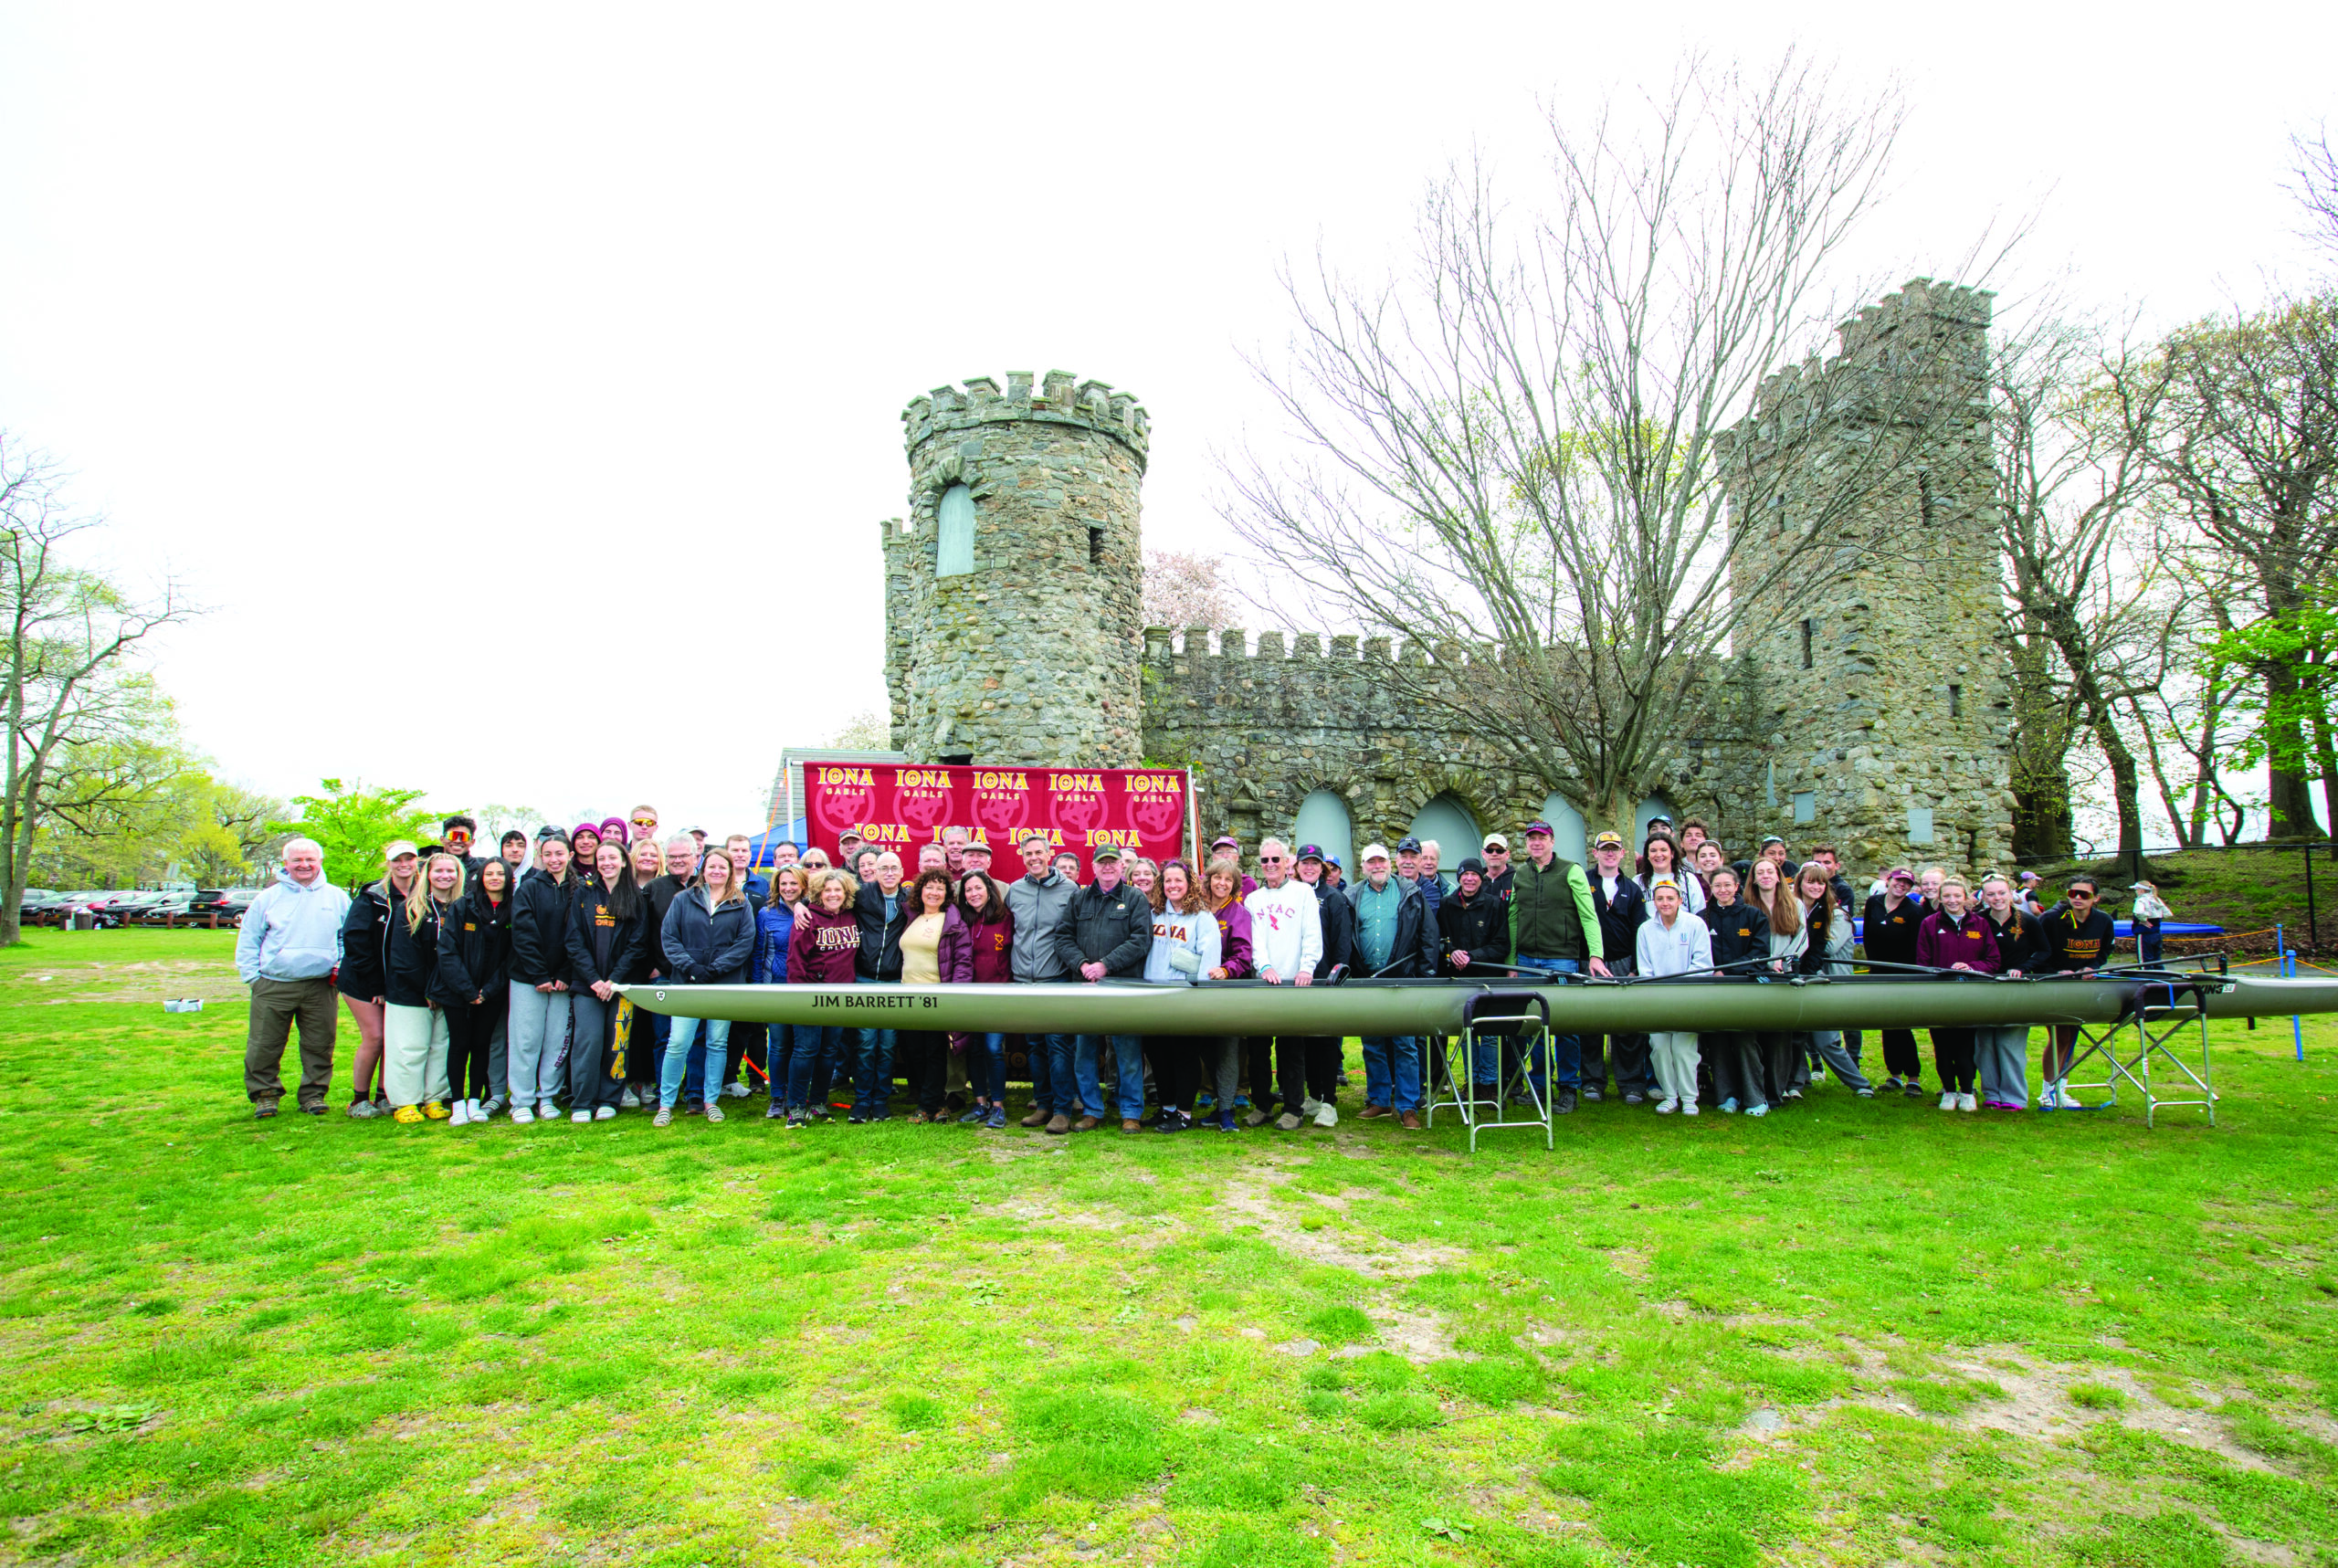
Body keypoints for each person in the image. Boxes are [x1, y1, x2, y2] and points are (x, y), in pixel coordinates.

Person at [235, 837, 352, 1119]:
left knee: (320, 1043)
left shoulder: (336, 897)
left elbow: (346, 938)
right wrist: (254, 977)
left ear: (320, 861)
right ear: (285, 864)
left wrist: (339, 966)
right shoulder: (269, 898)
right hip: (274, 984)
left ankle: (313, 1094)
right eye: (297, 860)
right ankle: (265, 1094)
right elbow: (250, 938)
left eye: (310, 859)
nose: (304, 865)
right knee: (265, 1043)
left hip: (320, 985)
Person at [1508, 818, 1606, 1112]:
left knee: (1564, 1027)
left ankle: (1568, 1088)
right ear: (1526, 843)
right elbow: (1514, 918)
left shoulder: (1571, 871)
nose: (1536, 843)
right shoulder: (1520, 875)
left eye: (1542, 838)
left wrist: (1596, 954)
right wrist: (1511, 961)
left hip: (1561, 958)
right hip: (1527, 960)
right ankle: (1539, 1088)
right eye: (1531, 839)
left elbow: (1588, 916)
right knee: (1533, 1026)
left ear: (1552, 841)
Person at [658, 847, 756, 1127]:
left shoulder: (741, 903)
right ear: (703, 869)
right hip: (687, 983)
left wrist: (715, 970)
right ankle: (665, 1103)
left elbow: (744, 943)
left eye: (722, 867)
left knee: (716, 1042)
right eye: (712, 866)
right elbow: (670, 938)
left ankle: (710, 1100)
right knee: (677, 1043)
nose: (717, 871)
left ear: (729, 871)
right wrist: (691, 967)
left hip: (723, 984)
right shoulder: (683, 900)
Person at [1057, 846, 1153, 1132]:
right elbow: (1062, 937)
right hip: (1084, 986)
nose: (1108, 868)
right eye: (1103, 863)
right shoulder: (1079, 899)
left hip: (1123, 987)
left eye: (1113, 863)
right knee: (1084, 1053)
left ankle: (1131, 1113)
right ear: (1094, 867)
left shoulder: (1135, 899)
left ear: (1122, 867)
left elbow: (1141, 940)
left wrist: (1105, 965)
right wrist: (1083, 964)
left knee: (1128, 1053)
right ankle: (1092, 1111)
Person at [1350, 844, 1439, 1129]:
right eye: (1370, 862)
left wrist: (1425, 978)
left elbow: (1428, 936)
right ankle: (1379, 1100)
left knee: (1405, 1044)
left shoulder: (1410, 893)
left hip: (1403, 979)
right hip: (1367, 979)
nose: (1377, 866)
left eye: (1381, 861)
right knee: (1372, 1043)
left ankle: (1408, 1106)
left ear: (1390, 863)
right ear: (1363, 866)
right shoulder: (1352, 895)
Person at [1240, 837, 1325, 1129]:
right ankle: (1262, 1105)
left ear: (1288, 862)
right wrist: (1263, 966)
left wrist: (1306, 968)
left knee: (1291, 1049)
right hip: (1263, 984)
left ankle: (1293, 1108)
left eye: (1276, 859)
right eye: (1265, 861)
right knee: (1258, 1051)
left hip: (1294, 983)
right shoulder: (1254, 900)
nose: (1270, 865)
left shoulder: (1303, 894)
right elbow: (1254, 940)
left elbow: (1312, 935)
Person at [566, 840, 648, 1123]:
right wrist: (594, 980)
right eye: (601, 858)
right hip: (587, 987)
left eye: (612, 857)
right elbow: (573, 941)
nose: (606, 863)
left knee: (617, 1043)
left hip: (622, 987)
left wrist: (613, 980)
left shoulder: (636, 897)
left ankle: (608, 1099)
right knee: (587, 1043)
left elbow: (638, 945)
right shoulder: (584, 894)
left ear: (624, 861)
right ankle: (582, 1103)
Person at [1140, 858, 1222, 1133]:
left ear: (1189, 885)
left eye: (1178, 880)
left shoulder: (1202, 918)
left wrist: (1198, 995)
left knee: (1184, 1056)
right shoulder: (1153, 914)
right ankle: (1168, 1109)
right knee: (1158, 1055)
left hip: (1184, 996)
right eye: (1168, 881)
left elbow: (1209, 960)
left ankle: (1185, 1113)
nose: (1173, 885)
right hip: (1154, 995)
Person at [336, 842, 416, 1119]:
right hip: (363, 981)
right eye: (398, 860)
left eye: (409, 858)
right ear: (388, 863)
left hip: (394, 981)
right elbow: (355, 941)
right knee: (375, 1036)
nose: (404, 864)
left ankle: (384, 1095)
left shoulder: (422, 892)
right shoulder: (372, 896)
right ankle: (359, 1099)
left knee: (392, 1039)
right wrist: (374, 986)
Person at [1006, 831, 1079, 1131]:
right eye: (1028, 854)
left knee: (1059, 1045)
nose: (1034, 858)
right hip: (1023, 980)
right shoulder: (1014, 890)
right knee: (1035, 1046)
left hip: (1056, 978)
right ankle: (1043, 1104)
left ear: (1049, 854)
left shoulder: (1070, 889)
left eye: (1039, 853)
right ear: (1022, 857)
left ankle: (1062, 1109)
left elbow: (1075, 933)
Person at [384, 851, 463, 1123]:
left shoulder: (460, 907)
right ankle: (405, 1102)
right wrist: (426, 989)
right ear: (427, 874)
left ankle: (434, 1098)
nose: (445, 876)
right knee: (409, 1047)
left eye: (450, 871)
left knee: (441, 1046)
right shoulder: (410, 908)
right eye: (438, 871)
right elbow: (403, 957)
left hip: (448, 991)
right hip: (411, 993)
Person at [507, 831, 578, 1123]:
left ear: (569, 856)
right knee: (526, 1039)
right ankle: (521, 1099)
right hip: (529, 978)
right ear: (540, 856)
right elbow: (524, 934)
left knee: (556, 1040)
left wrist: (564, 973)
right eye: (548, 854)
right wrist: (539, 974)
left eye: (559, 854)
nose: (554, 860)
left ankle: (547, 1095)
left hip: (563, 980)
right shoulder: (529, 888)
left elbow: (579, 936)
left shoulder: (580, 889)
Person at [437, 857, 512, 1128]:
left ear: (508, 878)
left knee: (482, 1046)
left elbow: (510, 958)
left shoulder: (512, 910)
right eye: (489, 873)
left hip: (492, 992)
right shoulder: (462, 907)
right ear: (480, 878)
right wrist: (467, 990)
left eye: (499, 874)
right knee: (459, 1045)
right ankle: (457, 1104)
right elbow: (447, 951)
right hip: (458, 991)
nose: (494, 878)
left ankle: (474, 1101)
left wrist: (488, 991)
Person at [1914, 876, 1999, 1111]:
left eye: (1957, 896)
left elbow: (1993, 960)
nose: (1952, 900)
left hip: (1970, 994)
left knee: (1965, 1047)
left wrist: (1971, 967)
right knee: (1942, 1047)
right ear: (1940, 899)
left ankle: (1967, 1091)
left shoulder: (1980, 925)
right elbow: (1922, 961)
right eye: (1947, 896)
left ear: (1966, 898)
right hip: (1940, 994)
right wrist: (1939, 975)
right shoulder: (1930, 924)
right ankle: (1949, 1091)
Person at [784, 868, 861, 1124]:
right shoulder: (808, 918)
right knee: (806, 1050)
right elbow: (795, 962)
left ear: (846, 893)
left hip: (840, 996)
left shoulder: (852, 916)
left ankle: (818, 1102)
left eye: (837, 890)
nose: (832, 894)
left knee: (829, 1052)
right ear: (818, 893)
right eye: (827, 890)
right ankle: (795, 1105)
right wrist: (801, 997)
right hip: (810, 995)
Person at [1792, 862, 1874, 1098]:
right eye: (1810, 881)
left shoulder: (1836, 915)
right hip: (1803, 979)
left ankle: (1859, 1083)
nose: (1816, 886)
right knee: (1797, 1036)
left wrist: (1797, 949)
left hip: (1828, 983)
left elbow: (1828, 947)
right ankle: (1800, 1081)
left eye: (1820, 882)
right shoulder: (1795, 909)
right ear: (1800, 883)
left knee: (1826, 1040)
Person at [2038, 876, 2116, 1110]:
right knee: (2059, 1036)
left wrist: (2093, 967)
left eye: (2084, 894)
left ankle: (2061, 1090)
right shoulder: (2051, 919)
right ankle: (2047, 1092)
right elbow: (2039, 952)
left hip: (2084, 984)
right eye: (2073, 894)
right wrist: (2056, 971)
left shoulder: (2103, 920)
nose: (2078, 898)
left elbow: (2105, 949)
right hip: (2055, 984)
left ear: (2096, 898)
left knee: (2071, 1038)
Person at [945, 868, 1016, 1129]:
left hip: (998, 994)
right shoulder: (959, 919)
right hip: (968, 995)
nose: (974, 894)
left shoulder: (1005, 917)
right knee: (973, 1050)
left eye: (978, 888)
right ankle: (980, 1103)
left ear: (989, 890)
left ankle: (998, 1106)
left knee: (993, 1049)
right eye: (968, 890)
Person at [1636, 880, 1712, 1115]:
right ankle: (1670, 1096)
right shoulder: (1646, 930)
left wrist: (1682, 988)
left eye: (1670, 898)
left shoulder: (1695, 924)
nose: (1665, 903)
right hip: (1657, 997)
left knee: (1683, 1048)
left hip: (1687, 997)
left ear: (1680, 900)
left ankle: (1689, 1098)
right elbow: (1645, 968)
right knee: (1659, 1047)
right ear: (1654, 902)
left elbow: (1702, 964)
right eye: (1660, 899)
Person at [1585, 831, 1650, 1103]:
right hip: (1590, 960)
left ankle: (1631, 1084)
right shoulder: (1583, 882)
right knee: (1589, 1022)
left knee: (1627, 1024)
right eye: (1605, 849)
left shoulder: (1632, 889)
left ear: (1623, 853)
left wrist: (1636, 966)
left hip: (1624, 960)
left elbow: (1640, 929)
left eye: (1615, 849)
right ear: (1595, 852)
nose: (1610, 853)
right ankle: (1592, 1082)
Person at [1702, 868, 1772, 1115]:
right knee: (1718, 1042)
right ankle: (1726, 1096)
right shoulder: (1703, 918)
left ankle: (1755, 1099)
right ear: (1711, 888)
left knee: (1745, 1042)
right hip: (1713, 992)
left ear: (1737, 886)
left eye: (1727, 885)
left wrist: (1728, 972)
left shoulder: (1754, 916)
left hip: (1744, 990)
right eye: (1717, 886)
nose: (1722, 890)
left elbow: (1761, 954)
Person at [893, 868, 961, 1123]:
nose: (934, 892)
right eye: (929, 887)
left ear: (946, 894)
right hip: (908, 997)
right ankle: (936, 1103)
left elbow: (962, 961)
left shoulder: (952, 921)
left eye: (940, 888)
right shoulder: (910, 916)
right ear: (920, 890)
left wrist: (954, 995)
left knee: (934, 1053)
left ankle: (926, 1106)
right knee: (914, 1052)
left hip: (936, 998)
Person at [850, 850, 909, 1121]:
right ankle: (862, 1100)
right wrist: (802, 905)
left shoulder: (909, 901)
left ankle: (881, 1100)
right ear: (874, 871)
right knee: (864, 1043)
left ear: (901, 873)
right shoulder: (860, 895)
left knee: (887, 1046)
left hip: (894, 982)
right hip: (864, 979)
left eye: (893, 868)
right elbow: (827, 898)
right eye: (882, 867)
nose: (887, 872)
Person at [1860, 867, 1929, 1097]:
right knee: (1886, 1023)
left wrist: (1903, 973)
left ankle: (1913, 1077)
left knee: (1901, 1024)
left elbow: (1914, 947)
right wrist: (1874, 967)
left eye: (1907, 883)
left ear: (1911, 887)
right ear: (1888, 881)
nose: (1901, 885)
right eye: (1898, 881)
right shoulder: (1874, 903)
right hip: (1878, 972)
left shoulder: (1914, 911)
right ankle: (1894, 1075)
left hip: (1901, 974)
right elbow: (1868, 938)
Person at [1975, 874, 2042, 1110]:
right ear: (1984, 897)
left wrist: (2023, 969)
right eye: (1991, 894)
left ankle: (2014, 1097)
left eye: (2001, 893)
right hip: (1985, 986)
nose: (1997, 898)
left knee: (2009, 1044)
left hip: (2015, 988)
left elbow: (2044, 951)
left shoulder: (2028, 921)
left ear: (2011, 894)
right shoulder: (1978, 920)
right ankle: (1991, 1094)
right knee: (1985, 1044)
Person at [1199, 858, 1254, 1131]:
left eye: (1228, 880)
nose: (1221, 883)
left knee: (1228, 1051)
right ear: (1208, 879)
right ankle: (1217, 1104)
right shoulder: (1196, 909)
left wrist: (1226, 969)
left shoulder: (1238, 913)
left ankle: (1226, 1112)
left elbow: (1244, 956)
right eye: (1217, 877)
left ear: (1234, 886)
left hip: (1226, 991)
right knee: (1206, 1051)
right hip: (1197, 992)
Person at [754, 865, 807, 1121]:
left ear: (803, 885)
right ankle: (777, 1098)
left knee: (801, 1046)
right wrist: (758, 988)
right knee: (778, 1045)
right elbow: (758, 953)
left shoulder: (812, 911)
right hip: (774, 987)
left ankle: (798, 1095)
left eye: (793, 884)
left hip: (803, 990)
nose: (788, 888)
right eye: (783, 884)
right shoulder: (766, 914)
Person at [1751, 858, 1805, 1108]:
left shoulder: (1795, 904)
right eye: (1759, 872)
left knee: (1782, 1036)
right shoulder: (1748, 905)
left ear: (1778, 875)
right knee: (1759, 1034)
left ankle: (1780, 1088)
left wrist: (1784, 960)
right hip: (1757, 973)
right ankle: (1758, 1087)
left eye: (1769, 871)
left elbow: (1802, 937)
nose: (1765, 876)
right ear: (1753, 878)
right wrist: (1765, 962)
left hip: (1785, 973)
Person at [1637, 831, 1705, 915]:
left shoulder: (1688, 879)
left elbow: (1700, 914)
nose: (1658, 854)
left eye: (1663, 850)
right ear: (1647, 855)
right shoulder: (1638, 881)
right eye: (1653, 851)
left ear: (1672, 854)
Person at [1395, 836, 1442, 916]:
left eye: (1413, 857)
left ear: (1420, 860)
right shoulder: (1386, 885)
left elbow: (1423, 919)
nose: (1408, 861)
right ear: (1396, 860)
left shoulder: (1431, 890)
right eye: (1404, 857)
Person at [2131, 879, 2173, 966]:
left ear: (2141, 890)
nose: (2136, 892)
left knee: (2145, 959)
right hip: (2157, 933)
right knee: (2157, 959)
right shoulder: (2156, 899)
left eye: (2136, 890)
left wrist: (2144, 920)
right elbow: (2167, 913)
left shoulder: (2141, 900)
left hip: (2145, 933)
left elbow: (2139, 912)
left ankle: (2146, 977)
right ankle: (2160, 974)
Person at [1480, 835, 1514, 905]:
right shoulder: (1476, 880)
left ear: (1507, 854)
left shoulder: (1516, 880)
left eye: (1499, 851)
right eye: (1490, 850)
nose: (1494, 854)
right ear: (1483, 854)